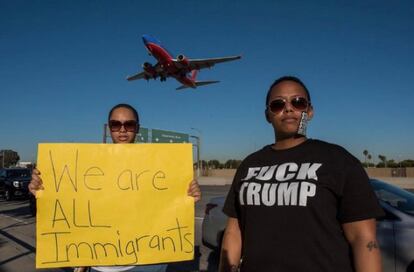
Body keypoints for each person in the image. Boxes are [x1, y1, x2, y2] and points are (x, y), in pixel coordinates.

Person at [219, 76, 384, 272]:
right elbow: (233, 231)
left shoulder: (338, 160)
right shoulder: (249, 165)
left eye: (298, 102)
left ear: (309, 111)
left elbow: (364, 239)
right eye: (278, 104)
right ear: (267, 115)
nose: (289, 108)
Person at [29, 103, 201, 272]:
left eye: (129, 124)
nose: (122, 129)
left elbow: (166, 205)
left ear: (137, 128)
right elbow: (63, 204)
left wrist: (188, 195)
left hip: (146, 263)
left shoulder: (159, 165)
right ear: (109, 127)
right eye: (116, 124)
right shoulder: (86, 164)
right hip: (97, 263)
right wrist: (40, 188)